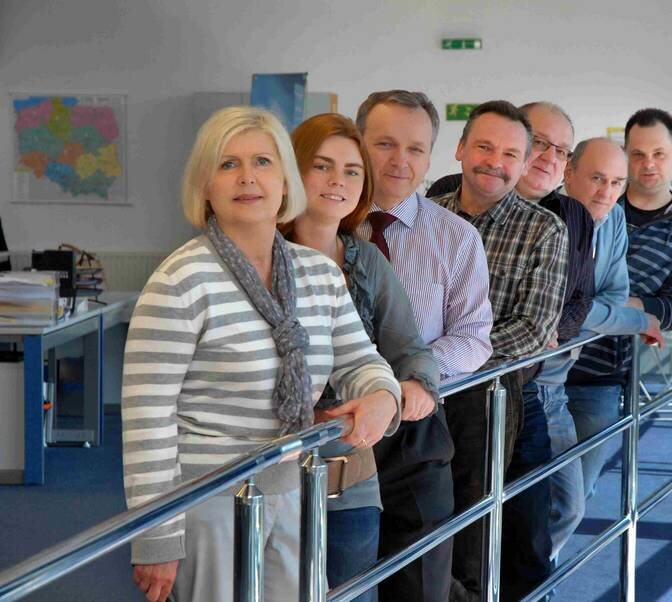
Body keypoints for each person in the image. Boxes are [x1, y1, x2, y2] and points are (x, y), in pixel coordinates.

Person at [121, 106, 402, 602]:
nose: (247, 177)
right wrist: (157, 537)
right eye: (227, 164)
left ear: (286, 180)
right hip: (208, 501)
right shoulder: (180, 281)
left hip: (296, 489)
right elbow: (148, 420)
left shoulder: (320, 274)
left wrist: (383, 395)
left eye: (263, 162)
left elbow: (361, 361)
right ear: (204, 186)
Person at [283, 112, 440, 602]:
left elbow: (409, 349)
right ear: (292, 171)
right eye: (322, 166)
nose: (338, 181)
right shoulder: (261, 257)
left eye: (352, 171)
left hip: (351, 480)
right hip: (274, 477)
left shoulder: (365, 259)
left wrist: (412, 386)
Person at [355, 90, 493, 602]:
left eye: (415, 148)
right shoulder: (320, 228)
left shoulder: (457, 238)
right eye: (385, 144)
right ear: (358, 144)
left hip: (415, 426)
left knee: (420, 582)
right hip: (335, 425)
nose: (400, 160)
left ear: (431, 157)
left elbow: (473, 338)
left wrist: (408, 376)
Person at [431, 100, 568, 602]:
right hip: (416, 392)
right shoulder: (425, 215)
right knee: (419, 524)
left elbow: (533, 330)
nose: (495, 162)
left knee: (480, 531)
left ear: (525, 162)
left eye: (510, 153)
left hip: (490, 397)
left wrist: (445, 360)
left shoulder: (544, 229)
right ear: (460, 148)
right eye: (484, 147)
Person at [567, 110, 672, 503]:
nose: (648, 164)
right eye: (637, 154)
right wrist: (622, 311)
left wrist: (606, 307)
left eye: (659, 154)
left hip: (600, 373)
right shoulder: (591, 203)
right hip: (540, 367)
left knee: (574, 493)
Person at [532, 137, 664, 557]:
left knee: (569, 503)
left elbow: (608, 298)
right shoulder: (545, 218)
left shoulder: (614, 219)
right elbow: (561, 310)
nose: (607, 192)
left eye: (617, 182)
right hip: (528, 379)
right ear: (568, 172)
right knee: (544, 502)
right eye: (596, 178)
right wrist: (637, 321)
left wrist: (588, 312)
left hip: (561, 378)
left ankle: (532, 579)